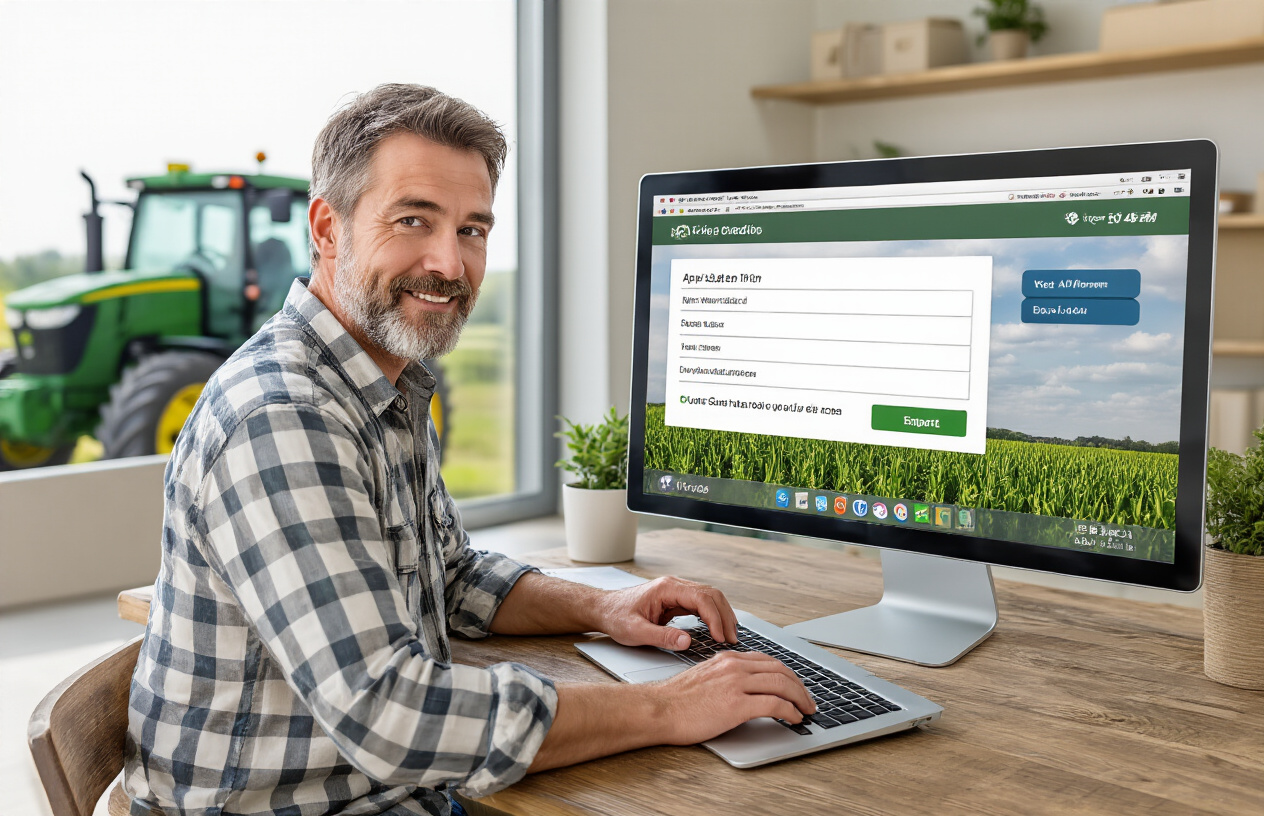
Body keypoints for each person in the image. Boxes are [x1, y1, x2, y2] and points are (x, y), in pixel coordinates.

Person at [123, 83, 814, 816]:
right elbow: (391, 715)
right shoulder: (283, 417)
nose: (450, 264)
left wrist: (608, 606)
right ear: (327, 227)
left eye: (472, 230)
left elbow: (449, 578)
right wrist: (670, 707)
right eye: (413, 220)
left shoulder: (385, 384)